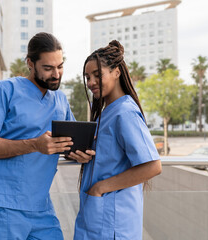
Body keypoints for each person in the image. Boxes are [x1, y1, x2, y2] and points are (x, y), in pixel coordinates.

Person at [0, 32, 94, 240]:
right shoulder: (2, 91)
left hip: (40, 206)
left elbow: (70, 142)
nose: (56, 74)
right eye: (48, 68)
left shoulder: (60, 100)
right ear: (30, 63)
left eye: (60, 66)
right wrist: (34, 145)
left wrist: (78, 154)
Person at [73, 40, 162, 240]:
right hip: (98, 215)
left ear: (116, 72)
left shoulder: (125, 113)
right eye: (87, 77)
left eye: (97, 75)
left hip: (112, 221)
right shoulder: (108, 113)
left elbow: (153, 166)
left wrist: (100, 188)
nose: (90, 82)